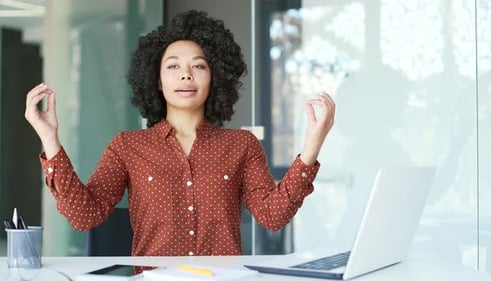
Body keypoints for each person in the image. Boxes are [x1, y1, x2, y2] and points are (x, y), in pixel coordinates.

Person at [24, 10, 335, 257]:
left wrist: (312, 145)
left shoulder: (242, 145)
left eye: (198, 66)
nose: (186, 74)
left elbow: (273, 216)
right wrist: (50, 139)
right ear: (157, 80)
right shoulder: (127, 146)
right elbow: (84, 216)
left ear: (215, 78)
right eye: (173, 66)